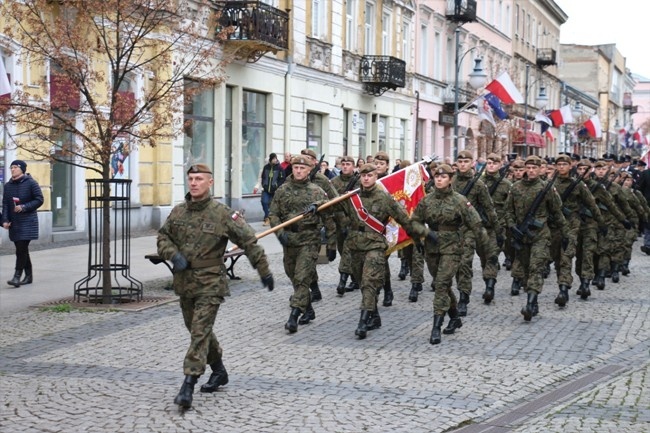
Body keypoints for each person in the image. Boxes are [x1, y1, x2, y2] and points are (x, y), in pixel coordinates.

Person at [157, 163, 274, 409]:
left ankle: (188, 384)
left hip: (211, 283)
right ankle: (219, 371)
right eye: (190, 178)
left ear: (210, 183)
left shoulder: (222, 214)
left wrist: (263, 270)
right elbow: (163, 236)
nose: (194, 183)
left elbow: (249, 241)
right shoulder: (178, 212)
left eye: (199, 178)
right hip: (185, 283)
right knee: (198, 330)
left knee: (199, 332)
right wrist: (172, 253)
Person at [411, 163, 489, 344]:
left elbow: (476, 223)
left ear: (450, 179)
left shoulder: (460, 201)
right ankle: (454, 317)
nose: (439, 179)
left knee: (441, 284)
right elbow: (414, 222)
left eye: (443, 176)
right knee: (444, 286)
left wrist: (487, 247)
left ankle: (436, 326)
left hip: (452, 248)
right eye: (437, 176)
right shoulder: (427, 200)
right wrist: (422, 236)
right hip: (432, 248)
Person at [339, 163, 415, 339]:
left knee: (369, 282)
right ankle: (375, 316)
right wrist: (316, 205)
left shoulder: (384, 198)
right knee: (360, 280)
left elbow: (404, 218)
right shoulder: (352, 197)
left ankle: (363, 321)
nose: (366, 178)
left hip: (375, 245)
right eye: (363, 175)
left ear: (375, 177)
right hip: (355, 246)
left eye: (370, 175)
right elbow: (331, 206)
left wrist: (421, 234)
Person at [269, 155, 336, 333]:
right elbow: (273, 214)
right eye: (296, 167)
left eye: (302, 168)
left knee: (302, 276)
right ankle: (308, 309)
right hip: (289, 240)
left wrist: (331, 244)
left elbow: (328, 216)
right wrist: (279, 232)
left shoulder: (316, 191)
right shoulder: (282, 190)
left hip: (309, 239)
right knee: (292, 274)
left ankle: (294, 315)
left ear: (309, 170)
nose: (298, 171)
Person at [505, 155, 569, 322]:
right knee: (525, 269)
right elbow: (508, 211)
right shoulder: (516, 188)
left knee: (536, 267)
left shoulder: (546, 188)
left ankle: (529, 302)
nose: (531, 171)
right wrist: (512, 227)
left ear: (540, 169)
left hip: (540, 235)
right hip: (522, 235)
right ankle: (533, 301)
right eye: (529, 167)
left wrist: (565, 233)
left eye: (535, 167)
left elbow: (557, 212)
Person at [452, 150, 500, 314]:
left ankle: (464, 298)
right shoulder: (450, 181)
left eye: (466, 161)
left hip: (472, 228)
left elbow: (489, 207)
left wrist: (498, 231)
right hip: (453, 230)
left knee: (465, 262)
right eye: (460, 161)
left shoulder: (478, 184)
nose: (463, 164)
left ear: (472, 163)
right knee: (457, 265)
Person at [2, 160, 44, 287]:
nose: (12, 169)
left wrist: (24, 206)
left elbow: (39, 199)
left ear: (22, 169)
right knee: (23, 250)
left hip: (28, 222)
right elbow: (5, 204)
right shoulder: (8, 185)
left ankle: (17, 276)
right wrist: (4, 220)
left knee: (20, 249)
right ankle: (29, 276)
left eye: (15, 167)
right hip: (15, 223)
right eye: (11, 167)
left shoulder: (31, 183)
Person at [330, 156, 359, 294]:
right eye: (343, 164)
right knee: (343, 252)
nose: (345, 167)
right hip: (338, 223)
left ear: (353, 166)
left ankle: (343, 281)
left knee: (348, 252)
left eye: (348, 164)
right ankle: (355, 279)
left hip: (353, 224)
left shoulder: (359, 181)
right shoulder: (334, 182)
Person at [259, 153, 285, 226]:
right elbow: (263, 177)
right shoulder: (266, 167)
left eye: (275, 158)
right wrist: (264, 184)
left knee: (273, 205)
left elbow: (282, 179)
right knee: (264, 202)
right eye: (273, 159)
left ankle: (270, 219)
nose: (275, 160)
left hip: (275, 190)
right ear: (270, 159)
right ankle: (267, 217)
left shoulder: (279, 168)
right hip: (266, 189)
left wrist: (277, 185)